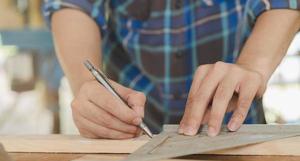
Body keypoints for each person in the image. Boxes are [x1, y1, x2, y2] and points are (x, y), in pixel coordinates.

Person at [43, 0, 300, 139]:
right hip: (133, 134)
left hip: (237, 129)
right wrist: (86, 86)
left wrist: (251, 67)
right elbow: (71, 5)